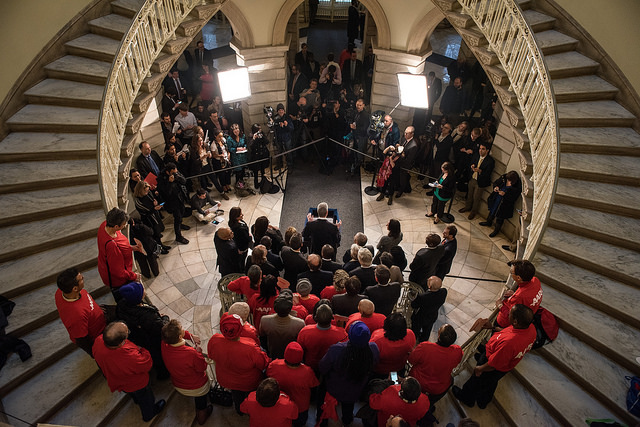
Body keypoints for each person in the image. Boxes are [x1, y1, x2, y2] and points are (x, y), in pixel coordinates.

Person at [452, 304, 536, 409]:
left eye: (510, 313)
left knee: (475, 382)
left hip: (492, 365)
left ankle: (466, 398)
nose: (508, 313)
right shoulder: (530, 328)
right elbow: (509, 333)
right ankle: (484, 401)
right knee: (490, 383)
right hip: (504, 366)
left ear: (515, 321)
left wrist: (480, 368)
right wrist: (493, 327)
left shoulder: (509, 343)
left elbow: (494, 364)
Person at [93, 322, 166, 422]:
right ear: (121, 342)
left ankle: (136, 400)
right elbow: (147, 364)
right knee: (146, 399)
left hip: (118, 381)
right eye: (127, 333)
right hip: (137, 384)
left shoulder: (98, 341)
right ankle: (149, 413)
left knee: (134, 395)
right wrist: (142, 349)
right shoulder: (130, 356)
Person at [319, 321, 380, 426]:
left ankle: (323, 420)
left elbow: (322, 367)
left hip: (335, 388)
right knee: (348, 407)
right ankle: (347, 421)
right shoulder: (373, 349)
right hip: (356, 389)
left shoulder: (337, 350)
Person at [208, 313, 271, 414]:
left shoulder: (214, 340)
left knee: (236, 395)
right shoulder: (250, 347)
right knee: (251, 397)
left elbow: (211, 356)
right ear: (240, 329)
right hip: (249, 382)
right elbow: (263, 363)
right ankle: (251, 411)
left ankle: (240, 410)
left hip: (227, 380)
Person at [160, 319, 212, 425]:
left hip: (177, 384)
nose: (184, 329)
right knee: (201, 401)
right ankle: (202, 415)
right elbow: (202, 368)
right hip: (197, 387)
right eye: (182, 329)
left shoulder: (164, 344)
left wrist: (190, 336)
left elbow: (175, 334)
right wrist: (199, 354)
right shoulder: (191, 354)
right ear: (180, 337)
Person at [116, 281, 170, 379]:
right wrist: (165, 318)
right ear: (139, 297)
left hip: (139, 338)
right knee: (158, 357)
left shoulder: (122, 304)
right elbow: (162, 328)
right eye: (142, 289)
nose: (144, 290)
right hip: (152, 340)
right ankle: (164, 374)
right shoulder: (147, 316)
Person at [266, 342, 320, 427]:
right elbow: (313, 385)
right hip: (301, 406)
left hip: (280, 404)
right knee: (300, 423)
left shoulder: (274, 365)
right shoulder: (307, 372)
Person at [55, 268, 106, 356]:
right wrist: (94, 353)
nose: (83, 277)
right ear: (74, 288)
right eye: (81, 279)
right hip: (98, 335)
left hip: (100, 318)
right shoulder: (76, 315)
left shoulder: (60, 292)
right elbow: (82, 340)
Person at [409, 324, 462, 406]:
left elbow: (411, 360)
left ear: (439, 336)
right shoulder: (457, 351)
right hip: (439, 388)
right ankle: (428, 407)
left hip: (418, 383)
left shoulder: (425, 347)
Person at [97, 207, 143, 301]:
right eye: (123, 224)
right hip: (118, 280)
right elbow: (118, 272)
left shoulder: (104, 225)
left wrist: (132, 248)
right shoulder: (111, 245)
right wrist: (134, 276)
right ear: (116, 227)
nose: (125, 225)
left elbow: (120, 247)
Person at [297, 303, 348, 372]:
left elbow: (300, 349)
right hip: (331, 367)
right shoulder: (342, 334)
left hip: (311, 365)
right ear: (332, 318)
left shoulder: (305, 331)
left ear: (316, 318)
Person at [493, 260, 543, 330]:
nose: (510, 273)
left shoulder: (519, 297)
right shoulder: (535, 280)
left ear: (518, 278)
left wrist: (500, 305)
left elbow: (510, 315)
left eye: (511, 272)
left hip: (505, 323)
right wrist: (514, 294)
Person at [259, 291, 305, 359]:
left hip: (272, 356)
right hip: (292, 357)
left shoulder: (264, 320)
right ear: (290, 308)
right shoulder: (299, 323)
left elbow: (262, 338)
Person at [370, 313, 416, 377]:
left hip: (380, 372)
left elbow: (371, 356)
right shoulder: (410, 335)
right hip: (398, 370)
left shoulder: (377, 339)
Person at [480, 170, 522, 237]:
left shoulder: (517, 186)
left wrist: (505, 194)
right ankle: (488, 222)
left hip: (505, 204)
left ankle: (496, 231)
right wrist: (496, 187)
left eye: (509, 180)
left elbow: (514, 198)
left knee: (500, 218)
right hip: (497, 198)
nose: (508, 180)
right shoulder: (504, 177)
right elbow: (496, 183)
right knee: (492, 211)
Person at [157, 162, 191, 244]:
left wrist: (178, 177)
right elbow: (166, 192)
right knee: (177, 218)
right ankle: (178, 236)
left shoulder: (176, 173)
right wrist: (170, 182)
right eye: (173, 172)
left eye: (176, 171)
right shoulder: (161, 179)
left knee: (182, 212)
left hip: (180, 197)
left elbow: (184, 181)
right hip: (172, 202)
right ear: (168, 172)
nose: (175, 173)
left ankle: (181, 224)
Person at [459, 142, 495, 220]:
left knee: (476, 197)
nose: (480, 151)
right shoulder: (476, 155)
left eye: (483, 149)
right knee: (469, 194)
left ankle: (473, 211)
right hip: (472, 178)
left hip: (480, 182)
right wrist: (472, 166)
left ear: (487, 150)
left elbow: (488, 173)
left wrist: (480, 171)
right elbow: (472, 163)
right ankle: (467, 207)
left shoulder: (490, 161)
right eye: (480, 149)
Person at [411, 276, 447, 342]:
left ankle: (414, 338)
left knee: (415, 329)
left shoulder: (422, 297)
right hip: (432, 316)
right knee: (427, 330)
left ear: (429, 286)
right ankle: (423, 340)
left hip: (420, 317)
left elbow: (414, 305)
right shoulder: (444, 292)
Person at [210, 130, 232, 197]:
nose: (221, 138)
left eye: (221, 136)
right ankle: (223, 185)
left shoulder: (223, 140)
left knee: (228, 172)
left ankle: (227, 184)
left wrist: (228, 155)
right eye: (219, 137)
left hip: (226, 159)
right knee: (222, 174)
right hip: (219, 161)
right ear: (215, 136)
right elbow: (213, 155)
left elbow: (227, 149)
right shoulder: (213, 144)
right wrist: (220, 156)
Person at [248, 123, 270, 189]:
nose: (260, 130)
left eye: (260, 129)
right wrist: (254, 139)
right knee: (256, 171)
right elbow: (250, 146)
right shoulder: (251, 135)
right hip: (255, 155)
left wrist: (262, 137)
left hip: (262, 154)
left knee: (263, 170)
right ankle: (256, 184)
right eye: (258, 129)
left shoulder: (262, 133)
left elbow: (267, 142)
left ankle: (263, 182)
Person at [273, 103, 294, 170]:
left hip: (287, 138)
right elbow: (273, 128)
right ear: (277, 111)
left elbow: (291, 128)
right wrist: (278, 125)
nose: (281, 111)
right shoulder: (275, 118)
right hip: (278, 138)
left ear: (284, 111)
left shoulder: (287, 118)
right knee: (279, 152)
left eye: (282, 110)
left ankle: (290, 165)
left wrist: (286, 125)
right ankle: (279, 165)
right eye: (279, 110)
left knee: (288, 152)